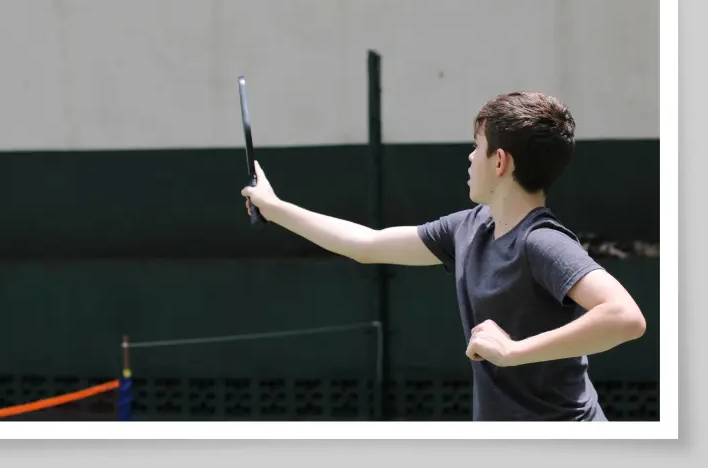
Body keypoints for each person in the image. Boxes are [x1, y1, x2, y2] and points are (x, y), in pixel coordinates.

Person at [241, 92, 647, 422]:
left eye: (478, 147)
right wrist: (275, 208)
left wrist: (514, 352)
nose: (470, 157)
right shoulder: (467, 228)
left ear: (500, 161)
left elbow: (625, 317)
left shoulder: (541, 241)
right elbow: (366, 245)